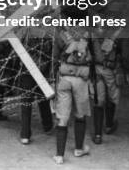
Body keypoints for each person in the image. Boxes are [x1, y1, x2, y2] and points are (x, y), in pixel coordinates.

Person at [53, 24, 91, 165]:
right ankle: (79, 149)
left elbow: (55, 57)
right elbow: (97, 56)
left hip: (64, 79)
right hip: (81, 79)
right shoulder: (88, 33)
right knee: (80, 115)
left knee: (62, 117)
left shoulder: (62, 34)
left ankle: (59, 156)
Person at [89, 20, 129, 144]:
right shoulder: (121, 32)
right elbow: (126, 56)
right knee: (112, 98)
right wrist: (127, 71)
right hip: (112, 70)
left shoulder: (92, 31)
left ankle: (97, 135)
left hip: (97, 69)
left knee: (99, 100)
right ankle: (108, 125)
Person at [19, 35, 54, 144]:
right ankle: (47, 126)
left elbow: (17, 48)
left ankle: (25, 135)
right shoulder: (48, 32)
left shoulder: (25, 29)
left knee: (26, 102)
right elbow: (52, 52)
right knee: (42, 99)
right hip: (42, 69)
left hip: (27, 68)